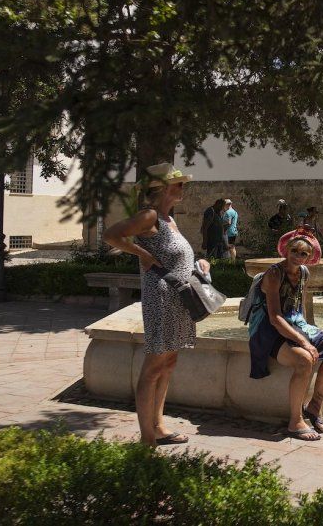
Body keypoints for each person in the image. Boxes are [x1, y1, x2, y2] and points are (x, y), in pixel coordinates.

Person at [102, 162, 210, 447]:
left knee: (169, 361)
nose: (183, 188)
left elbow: (174, 254)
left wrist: (197, 263)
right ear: (162, 188)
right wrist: (141, 253)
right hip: (162, 296)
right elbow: (111, 235)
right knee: (153, 367)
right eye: (178, 184)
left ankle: (159, 426)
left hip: (178, 297)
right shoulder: (149, 215)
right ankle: (147, 437)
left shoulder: (168, 219)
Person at [246, 228, 323, 441]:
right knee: (304, 359)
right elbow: (274, 317)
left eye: (303, 254)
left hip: (295, 324)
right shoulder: (274, 274)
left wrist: (310, 333)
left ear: (309, 257)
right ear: (286, 251)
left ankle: (315, 405)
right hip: (268, 329)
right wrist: (304, 342)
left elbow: (298, 308)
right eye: (294, 251)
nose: (298, 256)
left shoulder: (304, 273)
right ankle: (295, 421)